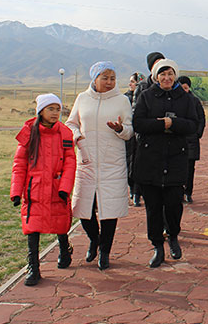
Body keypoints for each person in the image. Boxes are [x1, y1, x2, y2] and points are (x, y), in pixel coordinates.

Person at [66, 61, 133, 270]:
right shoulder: (82, 98)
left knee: (109, 210)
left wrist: (120, 129)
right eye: (105, 78)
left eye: (112, 78)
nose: (109, 82)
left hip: (112, 162)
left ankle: (105, 251)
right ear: (94, 78)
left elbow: (130, 131)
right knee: (82, 208)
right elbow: (71, 123)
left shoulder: (122, 100)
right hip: (86, 161)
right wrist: (77, 135)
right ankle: (94, 239)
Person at [132, 59, 198, 268]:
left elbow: (193, 125)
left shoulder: (185, 99)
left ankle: (173, 235)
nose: (167, 78)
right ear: (156, 76)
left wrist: (174, 123)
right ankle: (157, 245)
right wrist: (162, 125)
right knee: (153, 208)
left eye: (170, 74)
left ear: (175, 76)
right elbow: (138, 123)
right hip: (150, 160)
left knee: (173, 205)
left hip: (176, 159)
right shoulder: (146, 96)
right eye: (163, 74)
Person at [10, 93, 76, 286]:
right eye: (50, 109)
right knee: (32, 228)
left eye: (58, 109)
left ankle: (64, 249)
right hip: (34, 190)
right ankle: (33, 267)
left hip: (57, 188)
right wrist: (16, 192)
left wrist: (65, 187)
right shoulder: (28, 133)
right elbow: (19, 164)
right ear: (40, 111)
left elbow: (70, 163)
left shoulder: (64, 133)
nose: (55, 113)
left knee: (60, 223)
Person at [178, 75, 205, 203]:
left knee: (190, 168)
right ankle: (179, 193)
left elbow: (201, 118)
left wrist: (197, 133)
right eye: (181, 88)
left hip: (191, 140)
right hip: (177, 139)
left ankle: (188, 192)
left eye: (185, 88)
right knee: (178, 168)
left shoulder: (195, 101)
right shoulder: (174, 100)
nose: (183, 90)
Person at [125, 72, 146, 206]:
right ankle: (131, 188)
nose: (130, 84)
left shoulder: (144, 98)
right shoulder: (124, 98)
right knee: (128, 163)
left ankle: (137, 193)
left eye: (133, 82)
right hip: (128, 136)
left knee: (138, 164)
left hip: (140, 136)